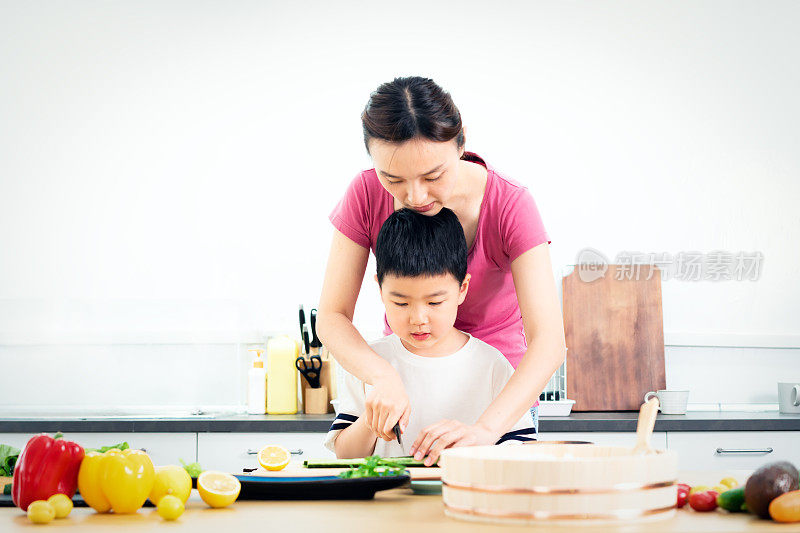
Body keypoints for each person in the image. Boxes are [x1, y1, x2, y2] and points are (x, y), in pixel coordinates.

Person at [317, 76, 566, 465]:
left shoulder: (510, 205)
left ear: (461, 142)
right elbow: (331, 316)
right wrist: (382, 376)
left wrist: (485, 431)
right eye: (392, 178)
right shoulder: (364, 195)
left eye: (433, 176)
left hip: (496, 397)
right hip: (407, 378)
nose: (414, 197)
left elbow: (549, 340)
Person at [325, 208, 536, 460]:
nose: (418, 319)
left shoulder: (491, 365)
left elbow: (522, 454)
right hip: (389, 499)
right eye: (401, 303)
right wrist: (372, 423)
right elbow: (345, 454)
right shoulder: (369, 361)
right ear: (381, 291)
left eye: (434, 303)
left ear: (462, 289)